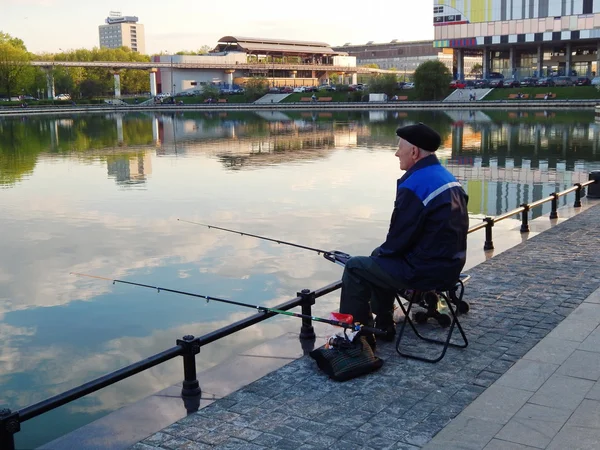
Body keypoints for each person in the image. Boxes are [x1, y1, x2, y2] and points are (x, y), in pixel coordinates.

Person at [338, 123, 469, 349]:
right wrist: (382, 256)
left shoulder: (415, 185)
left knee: (356, 267)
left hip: (426, 271)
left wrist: (382, 257)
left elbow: (398, 239)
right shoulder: (445, 177)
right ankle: (384, 323)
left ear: (415, 152)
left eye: (400, 148)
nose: (397, 153)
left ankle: (360, 335)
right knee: (377, 257)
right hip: (451, 265)